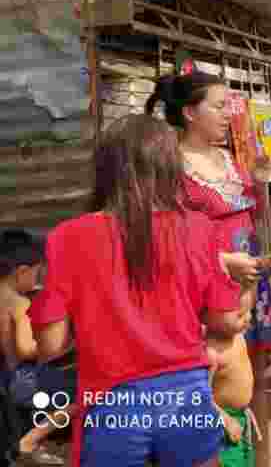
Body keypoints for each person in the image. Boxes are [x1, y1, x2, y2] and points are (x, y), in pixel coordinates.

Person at [28, 114, 241, 467]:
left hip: (112, 404)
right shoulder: (199, 229)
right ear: (170, 166)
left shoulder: (68, 237)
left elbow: (50, 345)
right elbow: (224, 319)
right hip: (187, 398)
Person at [148, 72, 271, 467]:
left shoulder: (230, 160)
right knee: (208, 375)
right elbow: (166, 238)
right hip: (204, 289)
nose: (228, 115)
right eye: (219, 106)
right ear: (189, 112)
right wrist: (222, 264)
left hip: (251, 283)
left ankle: (258, 458)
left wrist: (261, 184)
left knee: (254, 374)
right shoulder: (168, 167)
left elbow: (255, 220)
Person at [0, 230, 77, 459]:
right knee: (88, 392)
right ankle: (30, 440)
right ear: (22, 271)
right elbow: (25, 349)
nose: (38, 279)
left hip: (5, 378)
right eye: (37, 273)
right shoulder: (20, 304)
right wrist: (57, 346)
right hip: (22, 380)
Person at [208, 288, 258, 467]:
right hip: (222, 425)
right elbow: (199, 396)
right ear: (211, 315)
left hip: (242, 418)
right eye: (240, 314)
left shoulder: (238, 336)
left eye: (250, 311)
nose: (248, 318)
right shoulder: (212, 353)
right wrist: (225, 419)